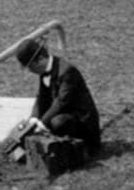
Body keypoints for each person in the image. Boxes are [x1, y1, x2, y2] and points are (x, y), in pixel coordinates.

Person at [9, 36, 100, 175]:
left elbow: (62, 101)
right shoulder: (44, 71)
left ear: (39, 59)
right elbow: (41, 97)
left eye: (30, 67)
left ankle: (78, 149)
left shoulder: (68, 72)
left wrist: (42, 123)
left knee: (57, 123)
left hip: (82, 122)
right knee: (49, 123)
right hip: (64, 113)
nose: (30, 71)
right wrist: (34, 118)